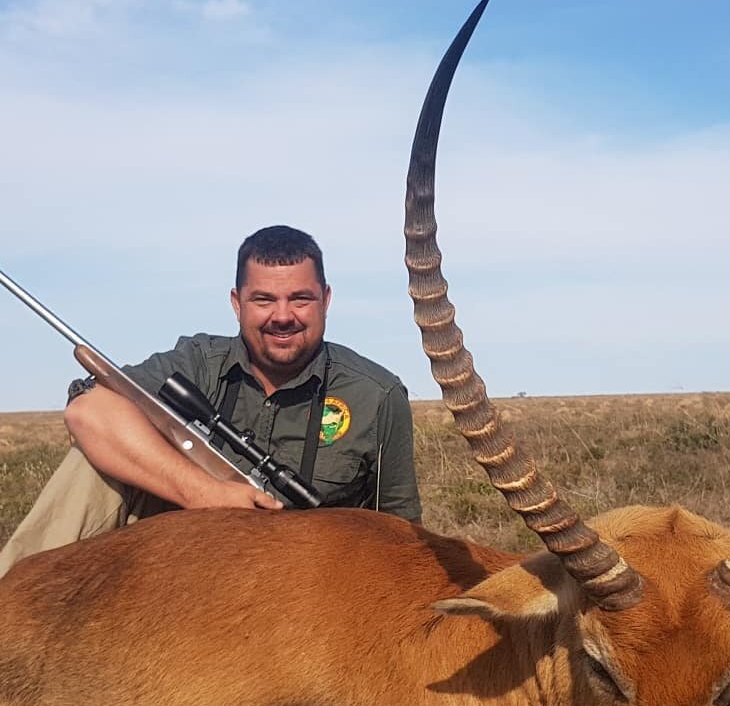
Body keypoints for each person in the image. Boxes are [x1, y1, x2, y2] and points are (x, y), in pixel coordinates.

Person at [0, 226, 421, 577]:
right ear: (237, 303)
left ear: (325, 300)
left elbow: (404, 536)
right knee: (92, 461)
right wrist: (203, 492)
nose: (282, 315)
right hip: (185, 565)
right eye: (263, 300)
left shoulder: (377, 395)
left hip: (306, 589)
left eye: (300, 299)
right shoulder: (196, 362)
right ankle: (13, 612)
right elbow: (88, 411)